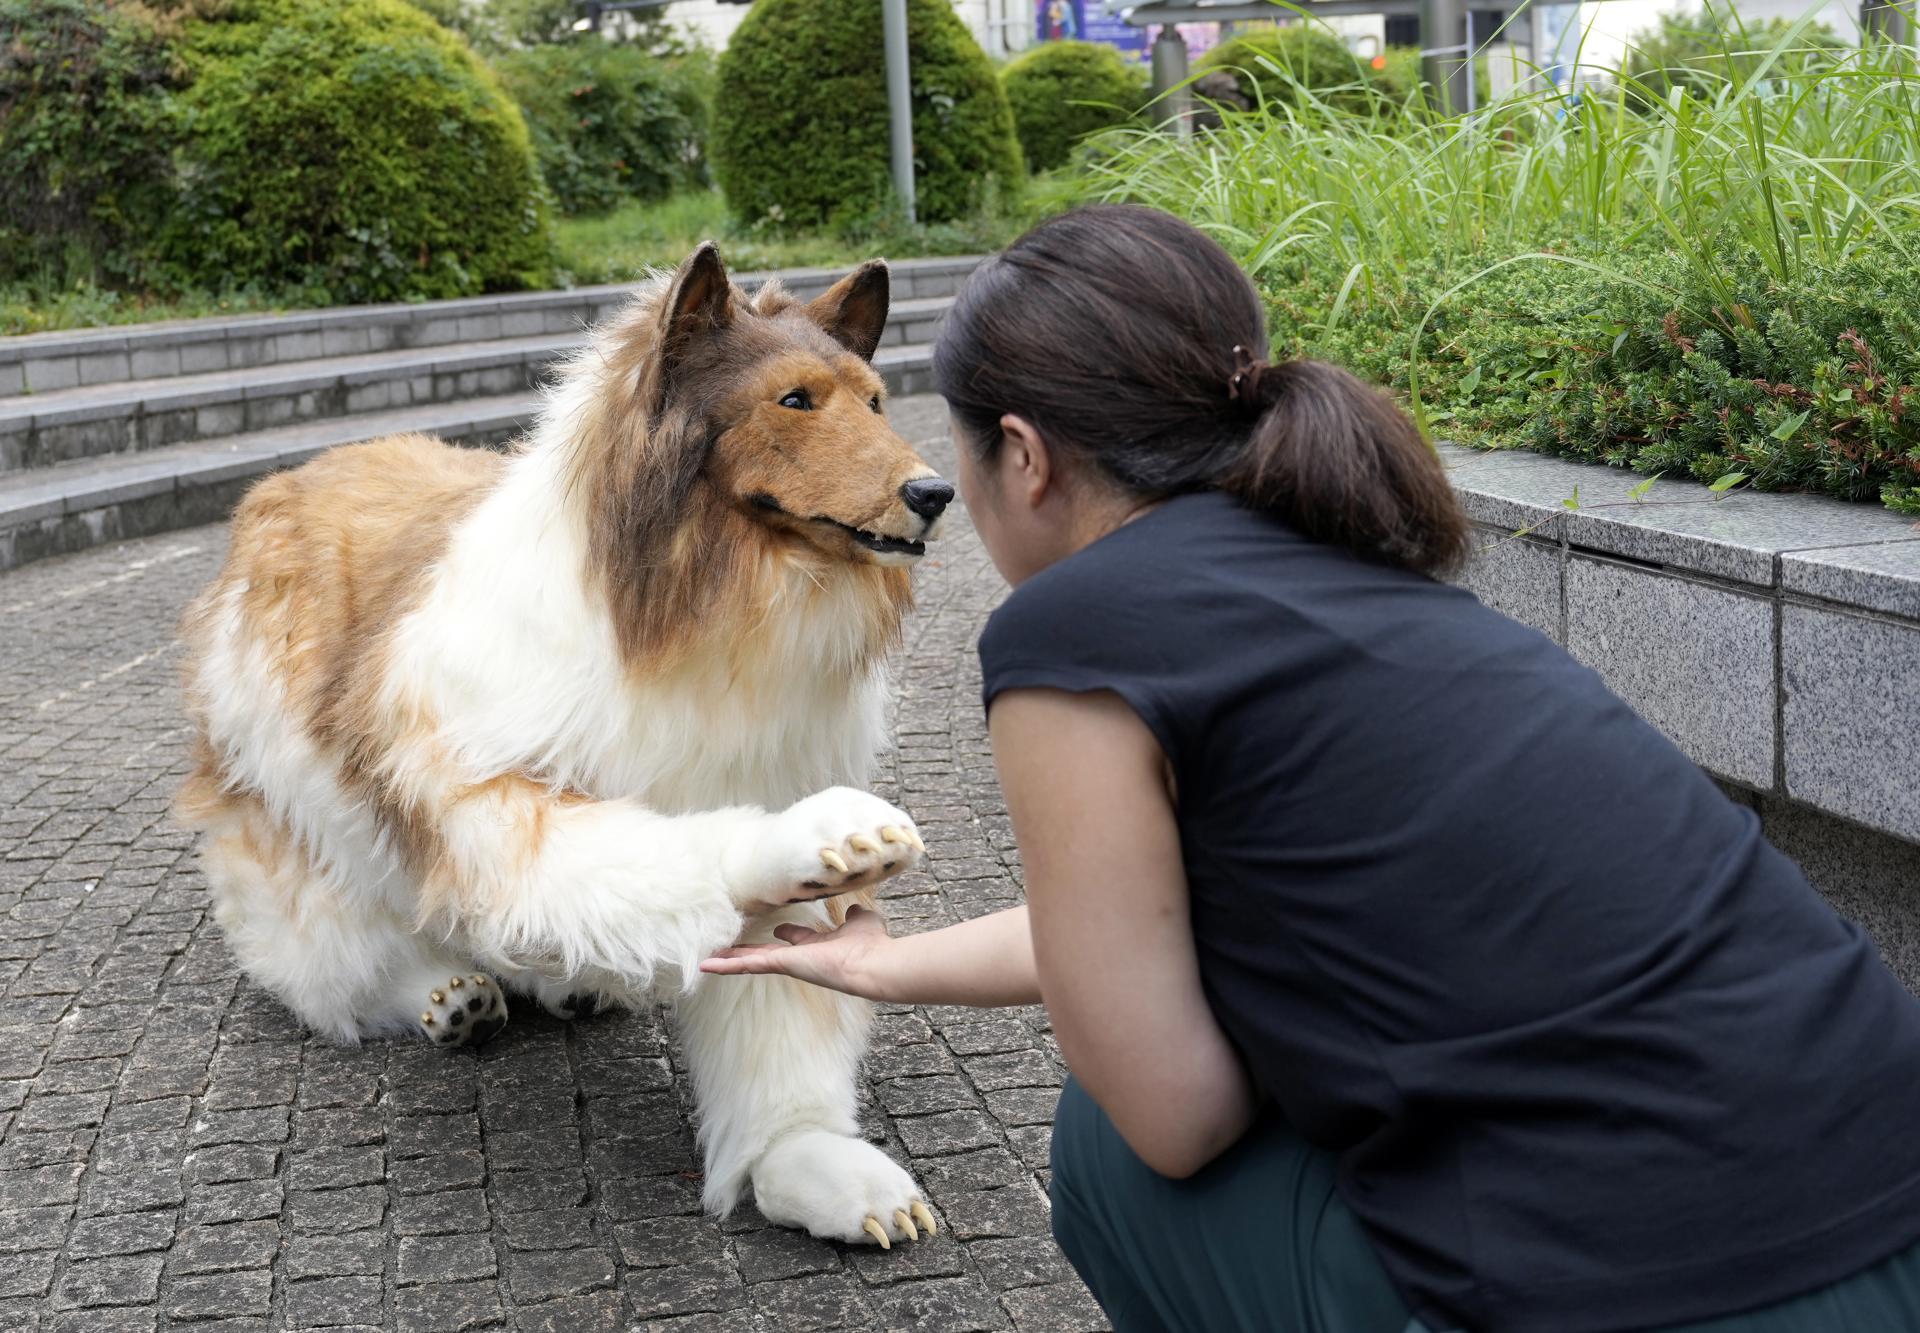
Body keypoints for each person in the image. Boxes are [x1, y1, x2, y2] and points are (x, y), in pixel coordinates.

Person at [700, 204, 1920, 1333]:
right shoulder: (1350, 562)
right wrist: (884, 963)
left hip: (1676, 1293)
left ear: (1021, 453)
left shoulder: (1075, 628)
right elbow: (1145, 915)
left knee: (1111, 1153)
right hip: (1887, 1205)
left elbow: (1179, 1118)